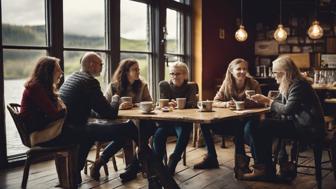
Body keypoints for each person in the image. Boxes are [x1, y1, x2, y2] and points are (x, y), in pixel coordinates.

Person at [59, 52, 139, 183]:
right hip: (78, 131)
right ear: (91, 65)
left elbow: (93, 111)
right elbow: (111, 114)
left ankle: (77, 172)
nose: (102, 67)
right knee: (130, 127)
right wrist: (115, 99)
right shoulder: (89, 82)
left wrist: (107, 108)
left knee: (124, 133)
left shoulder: (73, 77)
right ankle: (146, 166)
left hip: (68, 128)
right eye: (101, 64)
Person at [243, 56, 325, 180]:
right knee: (255, 125)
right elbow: (277, 102)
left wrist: (267, 101)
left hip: (308, 128)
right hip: (298, 124)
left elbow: (287, 109)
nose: (273, 75)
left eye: (275, 72)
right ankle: (268, 166)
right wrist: (261, 99)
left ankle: (265, 168)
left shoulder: (298, 85)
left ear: (285, 72)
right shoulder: (289, 83)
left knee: (258, 126)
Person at [20, 56, 87, 183]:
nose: (61, 72)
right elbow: (53, 114)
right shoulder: (36, 88)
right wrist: (64, 110)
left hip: (45, 129)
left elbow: (55, 113)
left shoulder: (42, 87)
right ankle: (72, 176)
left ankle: (71, 176)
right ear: (47, 71)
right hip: (39, 135)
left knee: (82, 131)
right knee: (84, 134)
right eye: (58, 69)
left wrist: (63, 110)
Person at [193, 58, 262, 179]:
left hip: (248, 120)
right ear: (231, 71)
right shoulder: (227, 83)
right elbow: (215, 101)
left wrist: (244, 103)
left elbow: (261, 102)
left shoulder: (253, 83)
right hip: (231, 120)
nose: (242, 71)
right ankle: (211, 157)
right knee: (204, 124)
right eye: (238, 69)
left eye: (244, 69)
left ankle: (241, 165)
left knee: (239, 128)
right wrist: (225, 104)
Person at [90, 59, 153, 182]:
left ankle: (101, 162)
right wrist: (119, 106)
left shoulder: (142, 85)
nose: (138, 72)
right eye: (135, 69)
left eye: (138, 69)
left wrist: (134, 106)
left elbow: (149, 103)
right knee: (138, 136)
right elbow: (105, 107)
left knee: (142, 131)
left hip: (138, 121)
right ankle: (137, 167)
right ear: (126, 72)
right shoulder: (113, 87)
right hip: (117, 123)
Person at [152, 62, 197, 175]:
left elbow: (193, 104)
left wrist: (178, 105)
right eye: (172, 73)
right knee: (158, 135)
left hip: (182, 122)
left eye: (178, 74)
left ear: (185, 75)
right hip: (166, 123)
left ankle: (173, 160)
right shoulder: (164, 85)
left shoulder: (191, 86)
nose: (174, 76)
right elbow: (162, 104)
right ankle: (157, 166)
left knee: (184, 131)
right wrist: (166, 105)